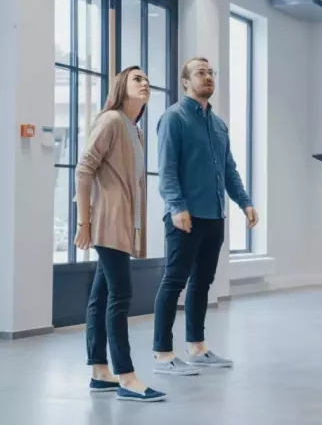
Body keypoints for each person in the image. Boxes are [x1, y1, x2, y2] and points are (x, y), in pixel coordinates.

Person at [152, 57, 259, 375]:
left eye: (212, 72)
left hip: (214, 215)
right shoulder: (174, 118)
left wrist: (245, 202)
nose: (208, 77)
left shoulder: (218, 124)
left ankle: (197, 348)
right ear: (186, 81)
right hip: (184, 216)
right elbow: (167, 169)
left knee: (202, 281)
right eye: (200, 73)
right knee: (174, 282)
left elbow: (229, 169)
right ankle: (162, 354)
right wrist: (177, 206)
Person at [75, 65, 166, 402]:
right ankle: (127, 376)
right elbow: (84, 169)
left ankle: (100, 371)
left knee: (102, 296)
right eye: (137, 78)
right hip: (106, 221)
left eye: (146, 79)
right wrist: (84, 223)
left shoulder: (134, 130)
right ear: (121, 87)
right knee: (121, 296)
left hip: (123, 224)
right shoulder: (111, 120)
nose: (145, 83)